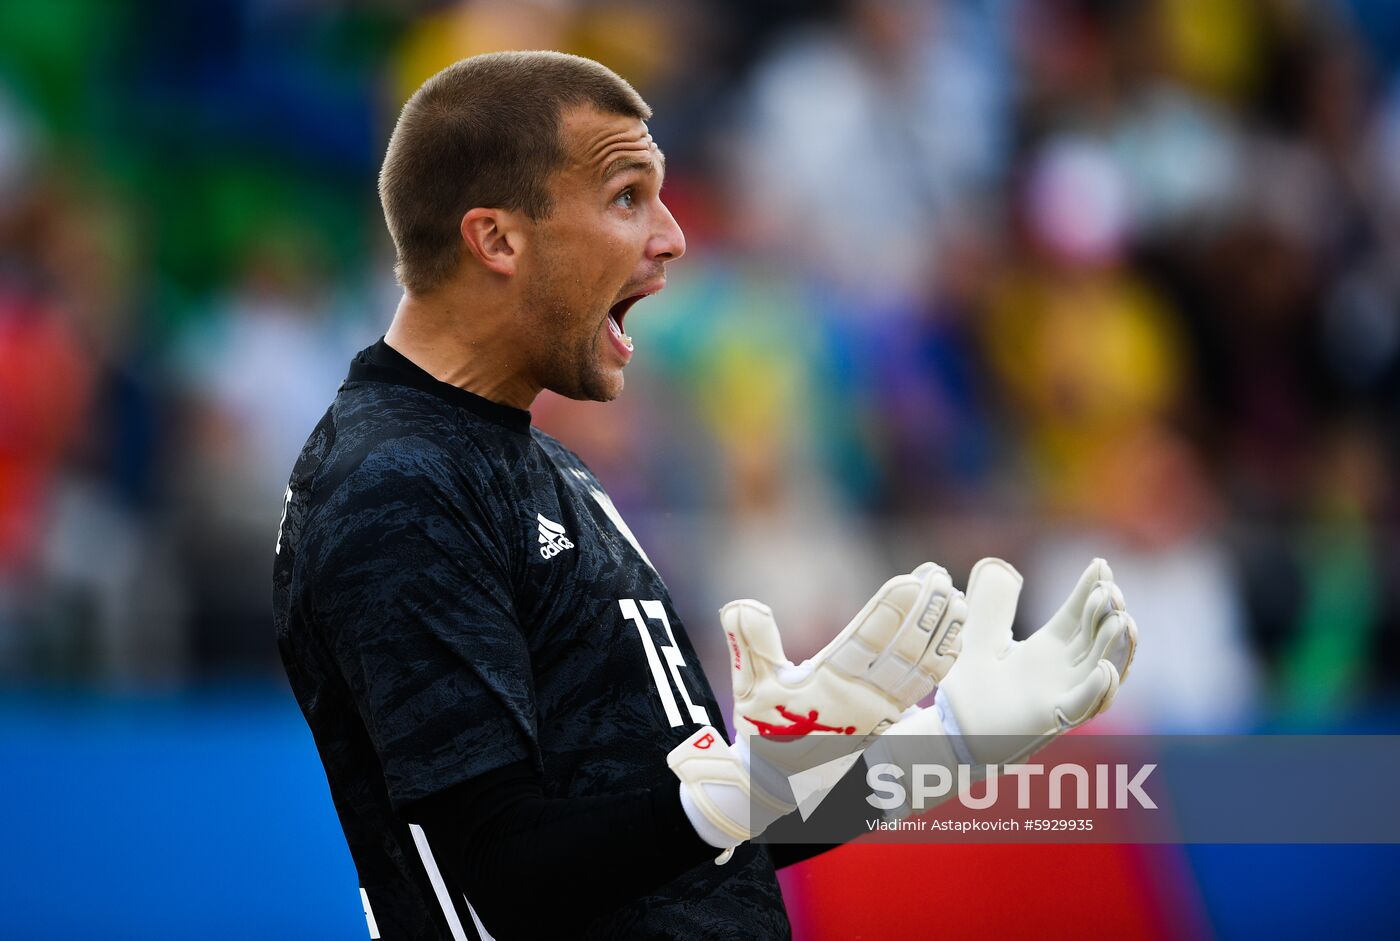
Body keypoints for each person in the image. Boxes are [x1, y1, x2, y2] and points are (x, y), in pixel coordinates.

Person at [273, 51, 1137, 940]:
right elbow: (499, 874)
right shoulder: (394, 483)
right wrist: (732, 796)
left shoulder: (543, 465)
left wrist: (940, 746)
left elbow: (692, 837)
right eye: (625, 196)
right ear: (495, 239)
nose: (673, 237)